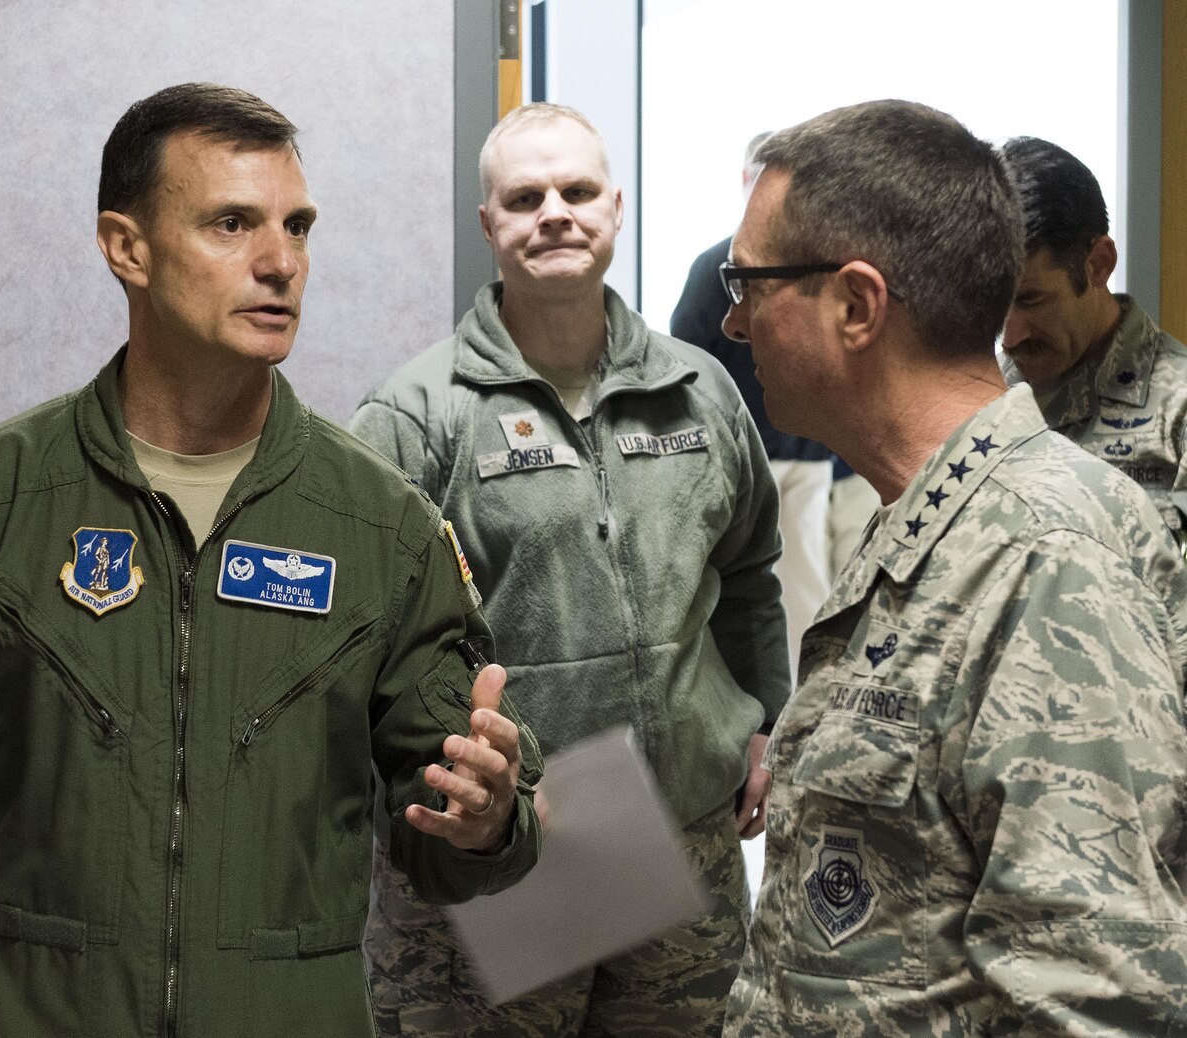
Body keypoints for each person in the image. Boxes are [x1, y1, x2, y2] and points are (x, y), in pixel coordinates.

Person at [0, 83, 545, 1038]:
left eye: (298, 228)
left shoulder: (380, 527)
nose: (281, 263)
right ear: (126, 248)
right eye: (233, 224)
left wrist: (483, 819)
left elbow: (457, 828)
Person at [720, 99, 1187, 1036]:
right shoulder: (931, 520)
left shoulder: (1043, 557)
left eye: (749, 283)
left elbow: (1096, 998)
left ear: (856, 306)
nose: (733, 323)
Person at [353, 102, 789, 1038]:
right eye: (525, 196)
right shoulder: (417, 414)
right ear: (489, 225)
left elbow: (749, 574)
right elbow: (363, 641)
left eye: (578, 190)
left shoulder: (699, 388)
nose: (555, 211)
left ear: (616, 208)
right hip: (509, 853)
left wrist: (768, 721)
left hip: (685, 841)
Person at [672, 130, 838, 658]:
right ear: (746, 183)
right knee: (749, 586)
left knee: (807, 587)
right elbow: (686, 367)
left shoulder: (814, 267)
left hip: (806, 456)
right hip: (741, 457)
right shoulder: (713, 269)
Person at [998, 135, 1187, 544]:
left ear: (1098, 264)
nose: (1009, 336)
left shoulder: (1179, 413)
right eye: (994, 302)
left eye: (1031, 300)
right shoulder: (978, 396)